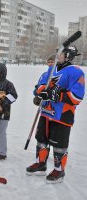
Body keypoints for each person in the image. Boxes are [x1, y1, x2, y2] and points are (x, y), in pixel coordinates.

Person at [26, 46, 85, 183]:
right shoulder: (50, 70)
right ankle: (41, 164)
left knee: (59, 143)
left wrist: (55, 94)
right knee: (41, 139)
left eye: (61, 53)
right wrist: (42, 92)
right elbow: (40, 86)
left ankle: (59, 171)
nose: (57, 55)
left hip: (62, 114)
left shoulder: (76, 72)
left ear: (69, 55)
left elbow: (77, 96)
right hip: (46, 112)